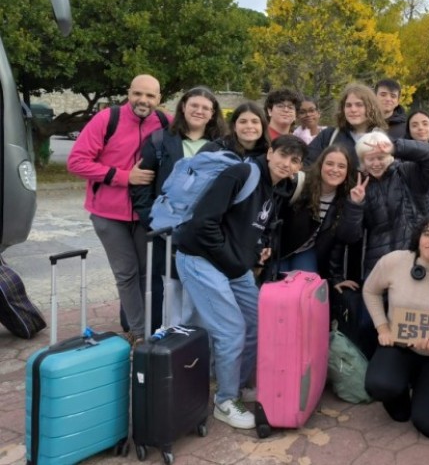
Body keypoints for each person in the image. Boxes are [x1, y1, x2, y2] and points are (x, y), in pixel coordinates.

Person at [173, 134, 303, 430]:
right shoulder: (241, 173)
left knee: (259, 321)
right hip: (199, 258)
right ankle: (224, 401)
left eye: (295, 161)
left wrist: (256, 250)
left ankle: (237, 385)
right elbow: (202, 224)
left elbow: (244, 228)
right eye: (283, 155)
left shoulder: (275, 188)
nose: (287, 163)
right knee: (231, 329)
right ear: (270, 152)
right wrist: (235, 261)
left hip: (231, 263)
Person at [67, 74, 169, 344]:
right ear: (129, 93)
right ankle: (138, 333)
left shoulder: (164, 122)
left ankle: (148, 327)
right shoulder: (106, 119)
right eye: (138, 94)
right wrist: (125, 177)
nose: (143, 100)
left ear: (159, 99)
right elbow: (76, 162)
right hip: (108, 214)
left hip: (145, 214)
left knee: (147, 274)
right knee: (126, 274)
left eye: (150, 96)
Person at [130, 86, 227, 330]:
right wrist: (149, 219)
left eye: (206, 108)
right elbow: (142, 183)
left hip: (204, 231)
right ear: (183, 106)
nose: (199, 111)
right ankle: (173, 344)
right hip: (168, 230)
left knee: (201, 288)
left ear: (213, 114)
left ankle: (198, 344)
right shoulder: (160, 140)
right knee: (171, 289)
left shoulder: (222, 146)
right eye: (194, 105)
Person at [362, 214, 429, 438]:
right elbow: (370, 290)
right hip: (398, 344)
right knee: (382, 388)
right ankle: (401, 395)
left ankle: (423, 386)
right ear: (418, 238)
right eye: (427, 234)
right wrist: (382, 327)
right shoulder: (394, 261)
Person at [334, 130, 429, 285]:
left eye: (381, 157)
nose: (376, 163)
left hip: (414, 257)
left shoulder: (406, 172)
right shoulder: (359, 186)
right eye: (370, 159)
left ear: (390, 155)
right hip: (378, 264)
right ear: (362, 161)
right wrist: (355, 205)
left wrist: (395, 146)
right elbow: (349, 236)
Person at [276, 145, 365, 278]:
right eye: (330, 164)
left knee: (307, 288)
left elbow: (347, 238)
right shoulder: (299, 184)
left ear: (347, 171)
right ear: (320, 165)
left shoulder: (344, 198)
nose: (335, 170)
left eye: (341, 166)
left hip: (306, 251)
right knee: (277, 289)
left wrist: (354, 205)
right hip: (279, 249)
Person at [305, 83, 388, 166]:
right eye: (348, 105)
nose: (353, 109)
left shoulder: (383, 138)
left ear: (371, 107)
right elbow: (307, 166)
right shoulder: (328, 136)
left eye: (359, 105)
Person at [201, 101, 270, 161]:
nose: (249, 126)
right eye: (243, 122)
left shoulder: (269, 154)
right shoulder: (214, 149)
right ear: (234, 127)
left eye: (255, 122)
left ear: (262, 126)